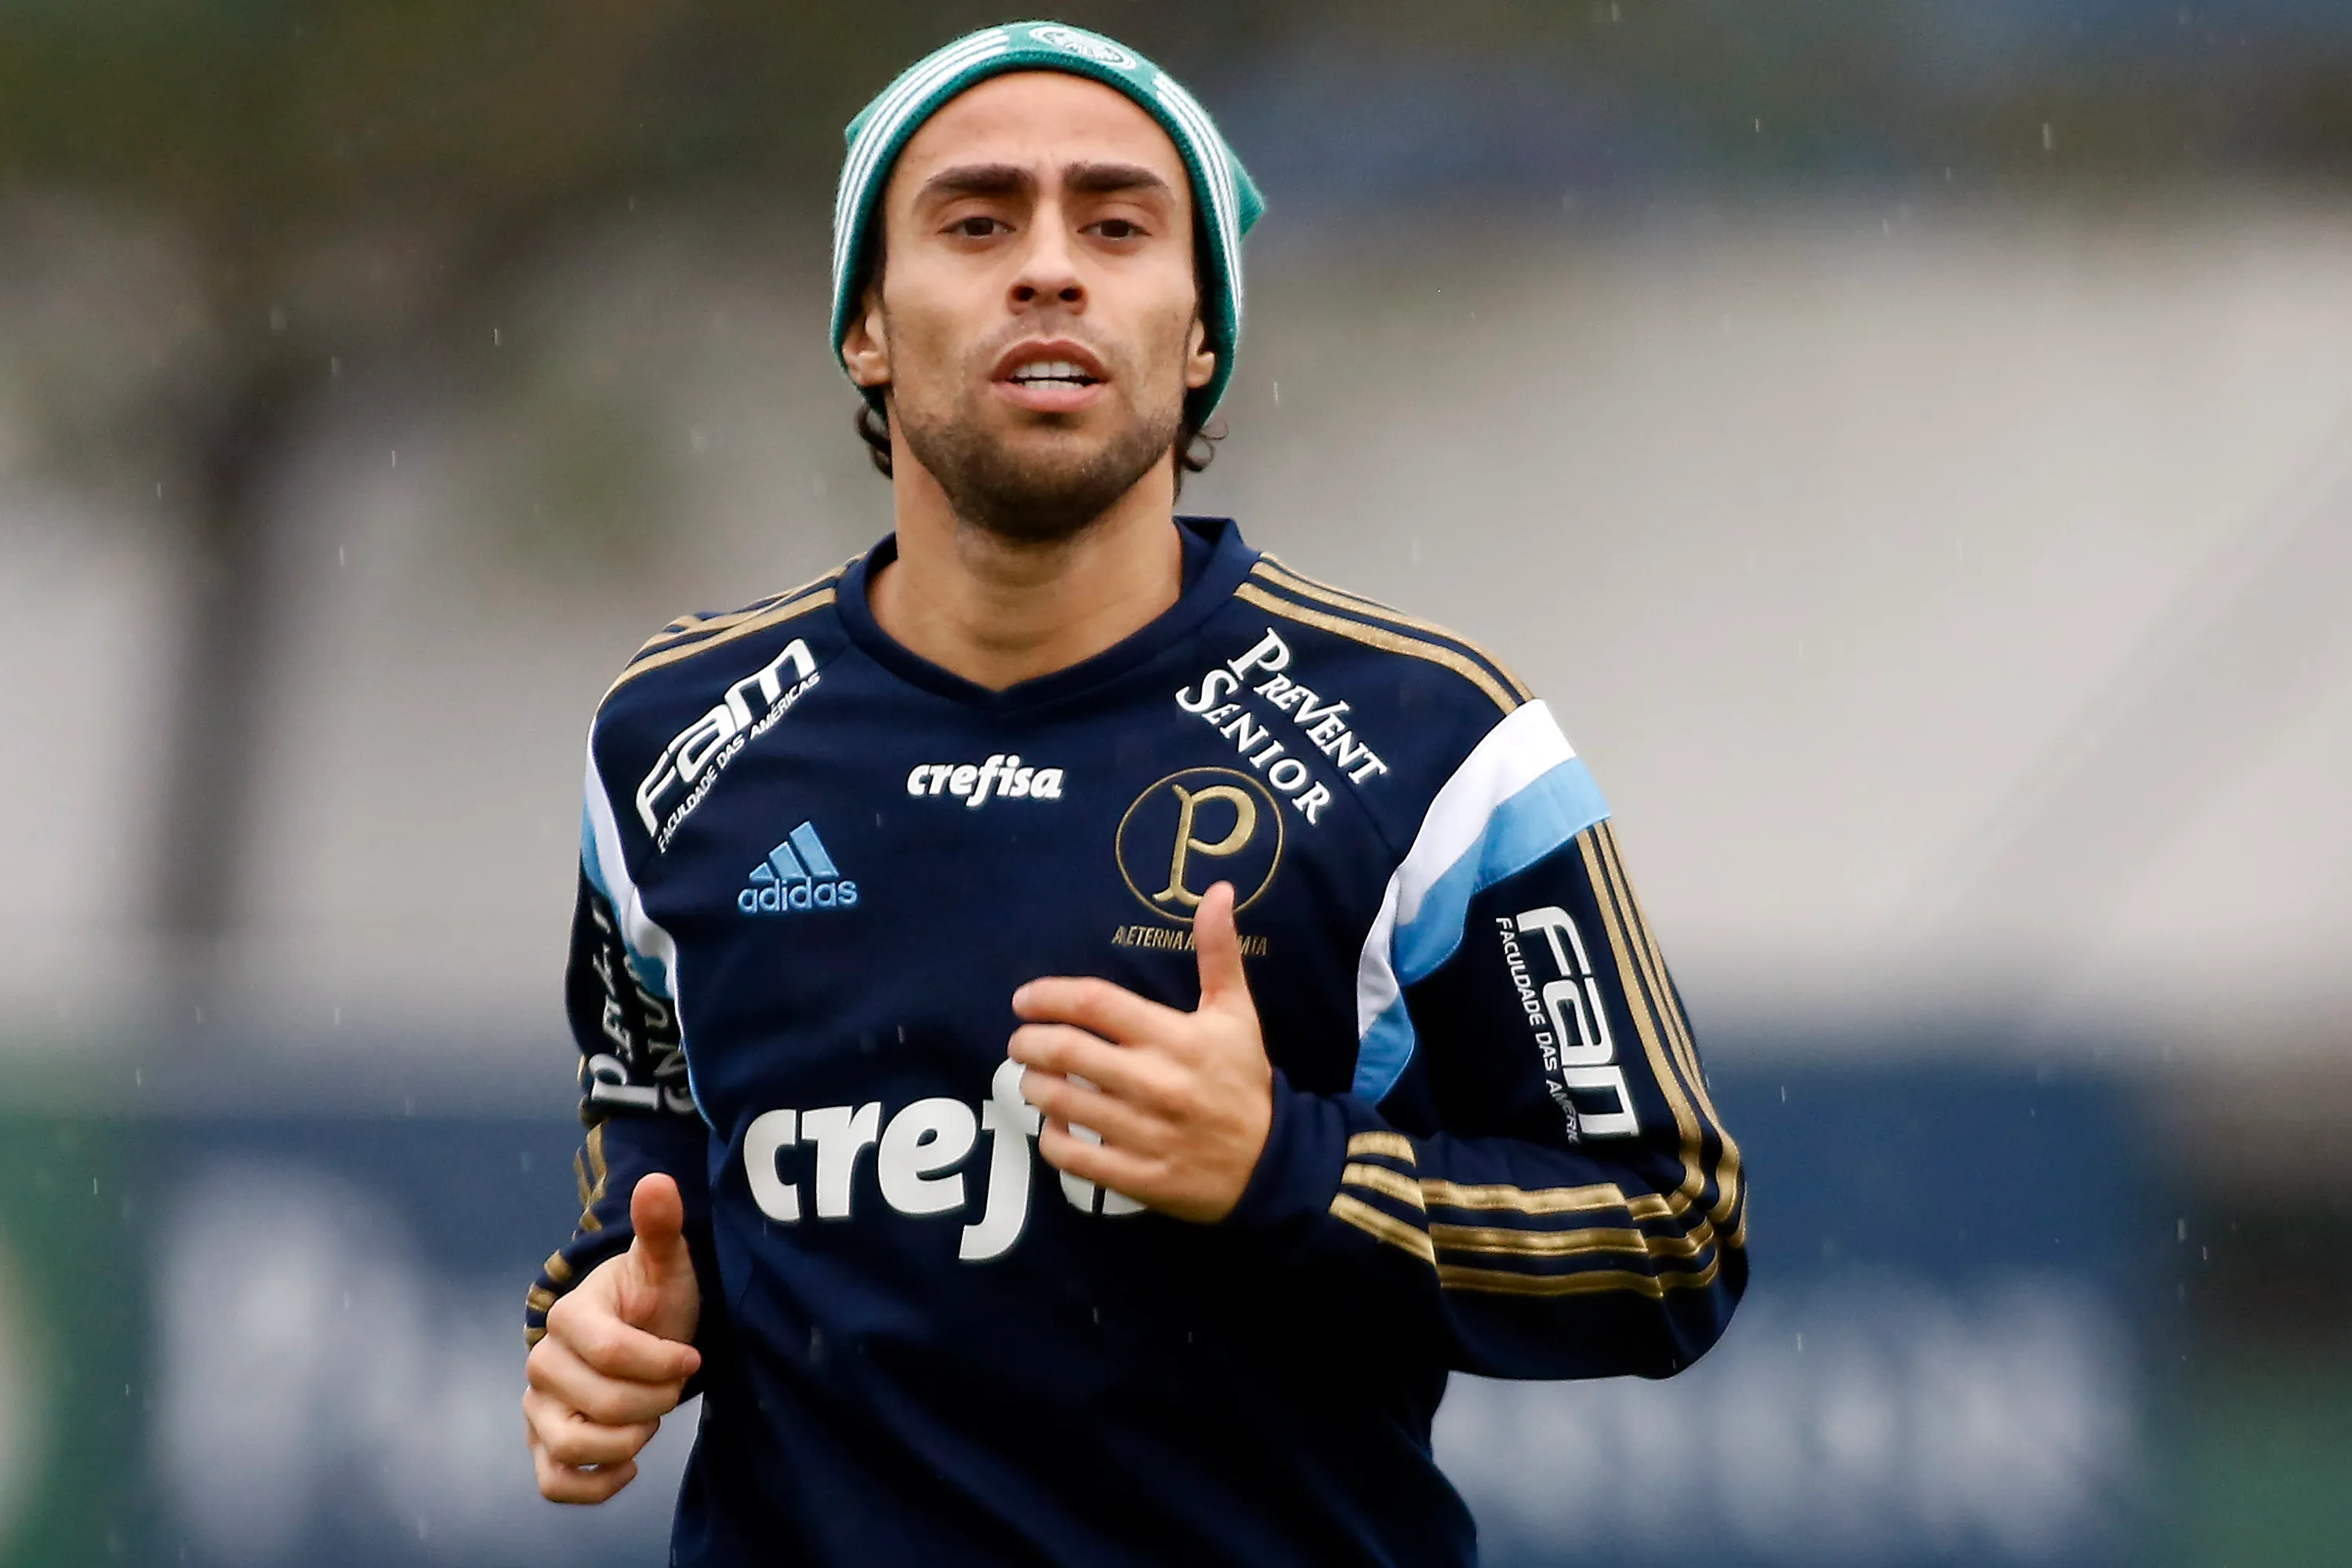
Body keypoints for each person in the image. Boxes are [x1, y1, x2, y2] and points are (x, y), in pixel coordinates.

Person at [521, 20, 1744, 1565]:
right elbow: (648, 1123)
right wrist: (609, 1320)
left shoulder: (1432, 741)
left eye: (1115, 223)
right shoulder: (674, 738)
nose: (1049, 269)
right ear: (867, 328)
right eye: (977, 223)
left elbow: (1671, 1235)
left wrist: (1283, 1167)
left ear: (1201, 333)